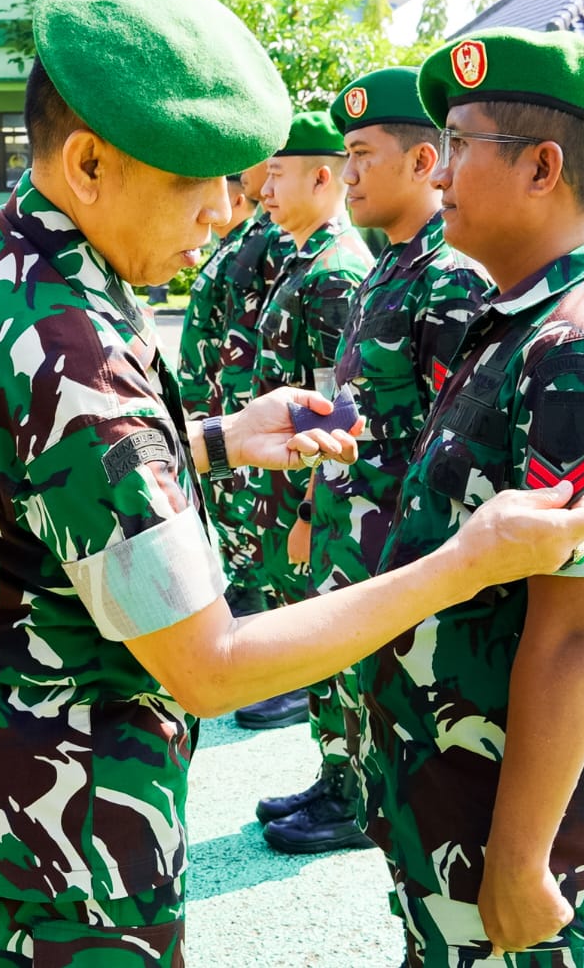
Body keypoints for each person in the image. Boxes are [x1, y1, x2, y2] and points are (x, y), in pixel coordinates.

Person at [0, 0, 584, 965]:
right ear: (90, 162)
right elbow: (213, 665)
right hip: (69, 841)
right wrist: (464, 562)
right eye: (198, 181)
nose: (227, 212)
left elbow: (26, 479)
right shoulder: (70, 346)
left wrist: (220, 438)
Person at [360, 29, 584, 967]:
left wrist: (518, 858)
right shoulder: (521, 323)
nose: (440, 171)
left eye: (461, 144)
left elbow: (580, 631)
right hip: (459, 783)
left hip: (514, 813)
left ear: (543, 167)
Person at [257, 69, 489, 856]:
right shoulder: (388, 266)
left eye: (361, 154)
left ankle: (364, 801)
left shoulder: (449, 278)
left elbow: (450, 443)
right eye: (345, 155)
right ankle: (343, 782)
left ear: (423, 162)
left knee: (393, 712)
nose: (348, 172)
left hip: (393, 548)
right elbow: (345, 403)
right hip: (346, 529)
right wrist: (307, 508)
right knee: (342, 683)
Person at [241, 111, 375, 742]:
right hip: (281, 481)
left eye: (277, 175)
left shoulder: (336, 272)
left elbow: (335, 409)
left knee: (319, 626)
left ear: (323, 178)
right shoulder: (305, 261)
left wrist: (306, 511)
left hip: (308, 492)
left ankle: (340, 771)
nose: (263, 191)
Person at [202, 162, 297, 641]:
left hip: (249, 409)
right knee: (234, 523)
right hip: (222, 405)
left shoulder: (275, 241)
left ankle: (252, 620)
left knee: (252, 529)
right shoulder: (249, 238)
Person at [174, 173, 255, 421]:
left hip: (217, 390)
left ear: (238, 201)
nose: (209, 205)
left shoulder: (245, 251)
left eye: (220, 196)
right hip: (201, 384)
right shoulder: (228, 246)